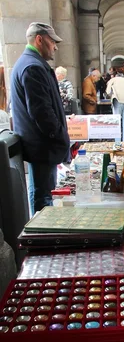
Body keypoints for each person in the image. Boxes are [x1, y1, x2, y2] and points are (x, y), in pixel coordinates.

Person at [10, 22, 70, 214]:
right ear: (39, 39)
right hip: (42, 146)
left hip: (40, 145)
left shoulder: (29, 63)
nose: (55, 47)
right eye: (52, 42)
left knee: (41, 193)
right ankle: (41, 238)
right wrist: (59, 135)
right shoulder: (32, 67)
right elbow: (41, 111)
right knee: (42, 197)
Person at [106, 71, 124, 141]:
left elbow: (108, 92)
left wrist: (111, 95)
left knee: (116, 122)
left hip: (117, 101)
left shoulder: (113, 80)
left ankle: (117, 142)